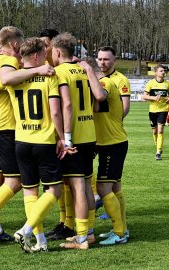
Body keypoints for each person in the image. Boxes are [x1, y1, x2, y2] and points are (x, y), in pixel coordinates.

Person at [0, 26, 54, 250]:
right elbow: (7, 79)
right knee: (16, 182)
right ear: (15, 45)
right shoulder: (8, 63)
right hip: (5, 128)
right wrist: (38, 71)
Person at [4, 37, 69, 253]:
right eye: (43, 54)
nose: (46, 57)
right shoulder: (48, 76)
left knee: (30, 193)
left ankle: (40, 241)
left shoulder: (14, 79)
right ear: (35, 56)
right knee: (54, 190)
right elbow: (56, 111)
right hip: (43, 142)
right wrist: (62, 138)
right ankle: (26, 230)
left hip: (21, 141)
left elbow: (6, 80)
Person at [51, 32, 105, 250]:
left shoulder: (59, 72)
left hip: (75, 138)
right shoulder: (84, 71)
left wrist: (66, 138)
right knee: (83, 185)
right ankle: (89, 232)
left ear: (56, 52)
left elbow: (67, 106)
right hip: (89, 134)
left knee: (77, 187)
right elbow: (97, 102)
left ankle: (81, 237)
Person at [80, 57, 129, 245]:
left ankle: (119, 233)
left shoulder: (104, 82)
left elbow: (99, 96)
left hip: (113, 143)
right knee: (115, 188)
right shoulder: (100, 82)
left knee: (103, 187)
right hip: (107, 142)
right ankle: (121, 229)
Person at [143, 64, 169, 160]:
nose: (163, 72)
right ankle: (157, 148)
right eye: (161, 71)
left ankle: (158, 151)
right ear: (156, 72)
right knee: (154, 131)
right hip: (152, 110)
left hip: (163, 110)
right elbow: (144, 96)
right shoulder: (150, 83)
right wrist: (154, 98)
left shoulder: (167, 84)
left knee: (160, 130)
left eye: (164, 71)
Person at [97, 46, 131, 118]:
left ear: (114, 60)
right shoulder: (93, 78)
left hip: (111, 127)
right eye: (100, 59)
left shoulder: (121, 80)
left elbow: (125, 107)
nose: (102, 62)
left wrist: (115, 122)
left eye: (106, 59)